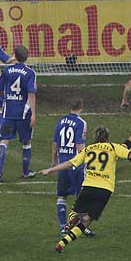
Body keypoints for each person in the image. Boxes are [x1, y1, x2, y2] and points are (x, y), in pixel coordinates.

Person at [40, 127, 131, 253]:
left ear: (95, 137)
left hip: (89, 186)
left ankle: (73, 218)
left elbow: (71, 163)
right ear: (107, 137)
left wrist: (51, 169)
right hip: (105, 190)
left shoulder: (88, 149)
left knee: (76, 212)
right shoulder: (113, 147)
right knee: (87, 220)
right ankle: (62, 244)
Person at [0, 46, 36, 182]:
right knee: (26, 142)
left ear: (15, 56)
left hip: (8, 113)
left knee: (4, 141)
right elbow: (31, 94)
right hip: (23, 114)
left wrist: (8, 96)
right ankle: (25, 172)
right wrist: (34, 114)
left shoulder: (7, 71)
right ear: (26, 57)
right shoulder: (30, 73)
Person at [51, 99, 88, 233]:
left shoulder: (60, 121)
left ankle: (62, 227)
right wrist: (87, 162)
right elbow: (80, 146)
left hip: (62, 164)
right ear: (81, 107)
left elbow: (55, 143)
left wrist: (54, 162)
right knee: (82, 197)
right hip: (76, 165)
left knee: (62, 196)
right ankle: (80, 228)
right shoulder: (81, 123)